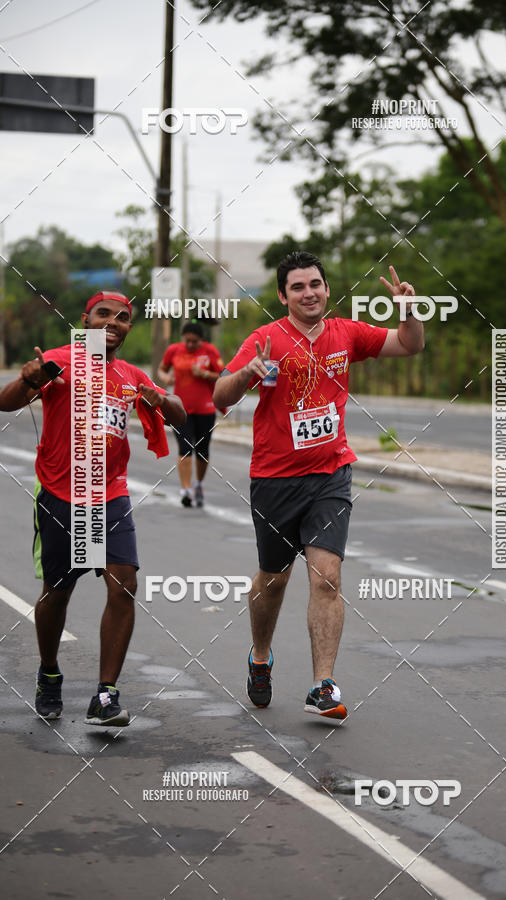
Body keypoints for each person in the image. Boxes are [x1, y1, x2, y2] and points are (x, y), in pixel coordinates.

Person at [213, 251, 424, 720]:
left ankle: (322, 685)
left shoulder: (345, 332)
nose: (308, 293)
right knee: (274, 578)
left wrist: (408, 311)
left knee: (327, 576)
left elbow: (408, 346)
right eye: (297, 287)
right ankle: (261, 656)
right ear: (283, 296)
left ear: (327, 289)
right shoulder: (264, 339)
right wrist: (246, 374)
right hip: (274, 480)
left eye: (315, 284)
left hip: (330, 474)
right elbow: (219, 396)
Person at [0, 291, 186, 726]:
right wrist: (29, 378)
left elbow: (180, 415)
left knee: (123, 586)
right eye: (104, 314)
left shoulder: (130, 375)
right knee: (57, 593)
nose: (113, 323)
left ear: (127, 329)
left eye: (123, 318)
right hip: (61, 495)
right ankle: (49, 673)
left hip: (111, 496)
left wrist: (163, 401)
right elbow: (6, 401)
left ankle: (106, 695)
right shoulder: (58, 361)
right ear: (85, 319)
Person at [158, 321, 224, 507]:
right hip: (180, 409)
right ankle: (186, 489)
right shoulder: (174, 350)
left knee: (202, 451)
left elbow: (223, 375)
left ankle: (199, 485)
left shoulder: (210, 351)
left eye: (194, 342)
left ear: (201, 340)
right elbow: (162, 369)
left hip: (206, 408)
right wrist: (166, 377)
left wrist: (204, 374)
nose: (190, 345)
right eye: (187, 341)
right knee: (185, 448)